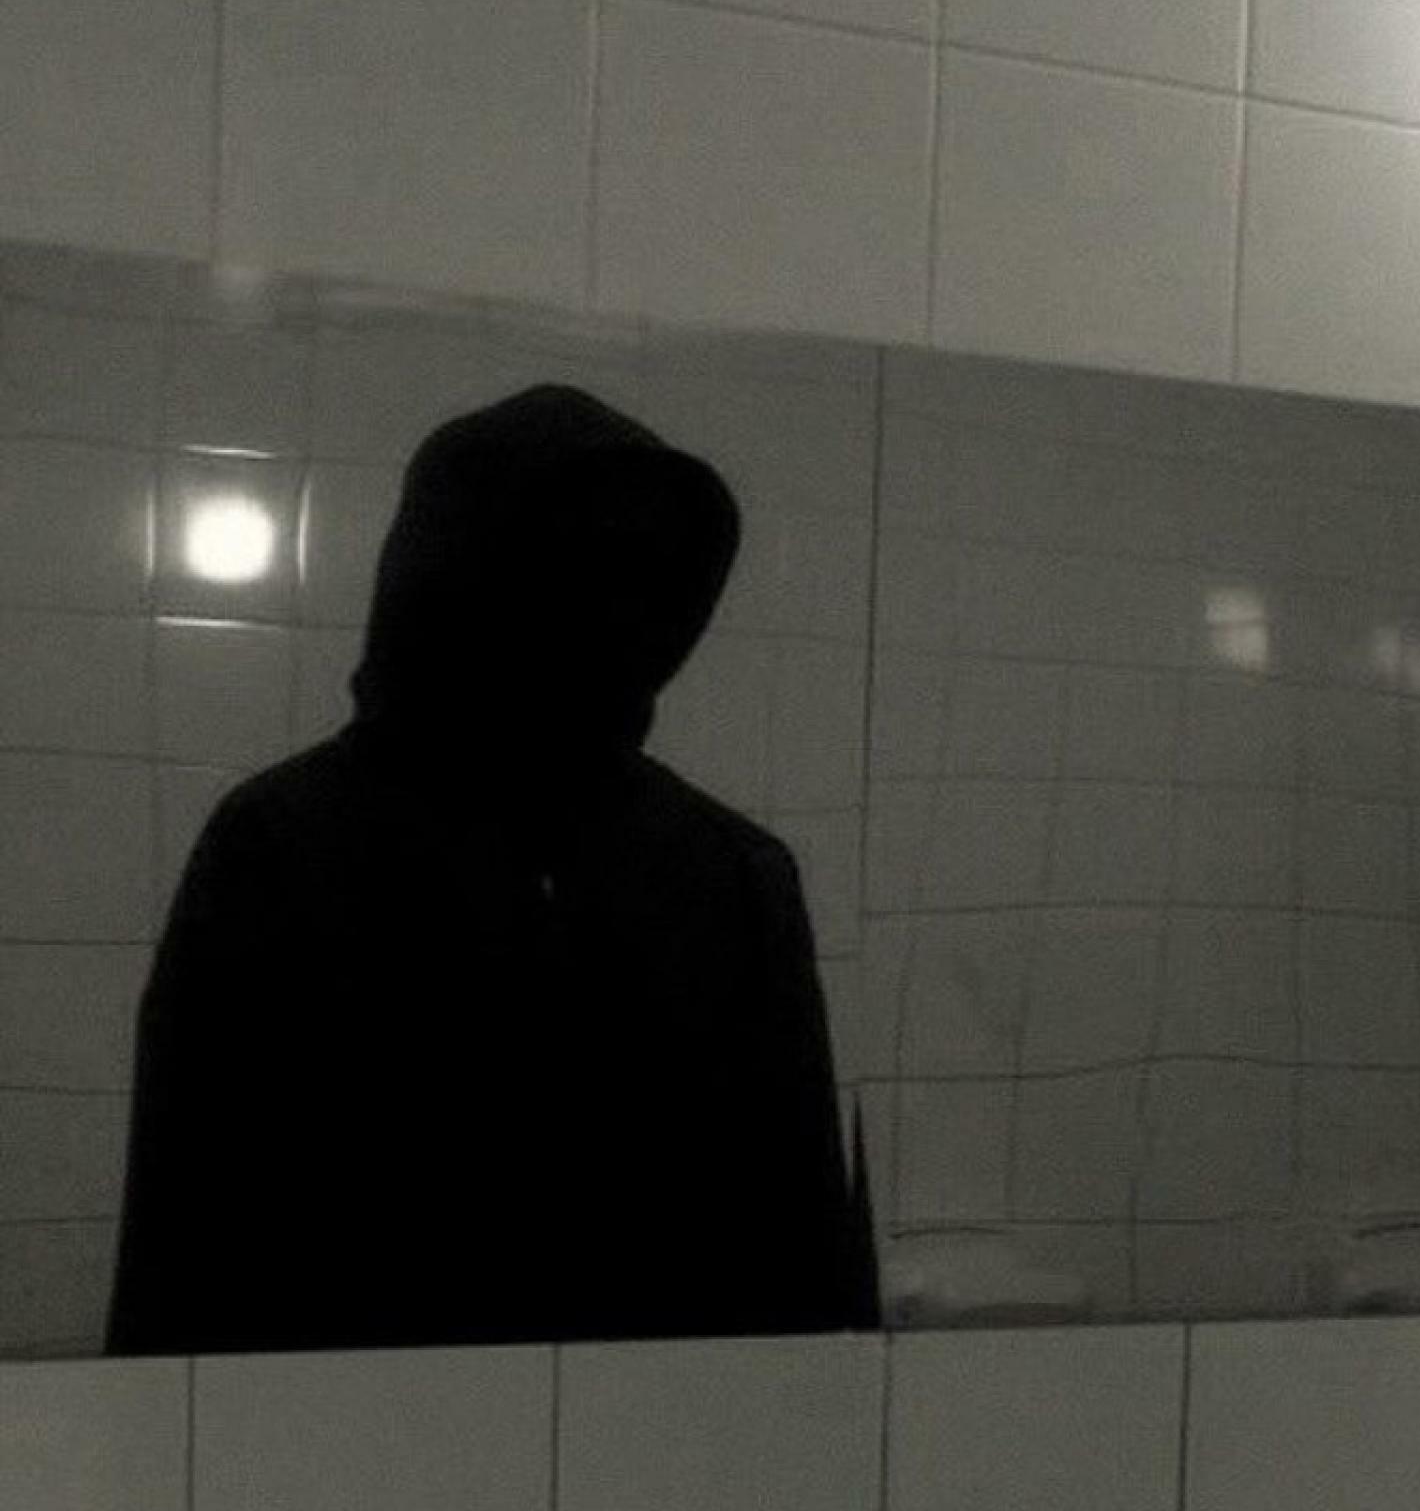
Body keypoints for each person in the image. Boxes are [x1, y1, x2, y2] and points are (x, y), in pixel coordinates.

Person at [108, 381, 876, 1355]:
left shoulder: (734, 871)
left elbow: (800, 1234)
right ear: (460, 578)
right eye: (567, 568)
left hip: (670, 1432)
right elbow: (189, 1230)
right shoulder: (280, 843)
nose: (607, 614)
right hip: (350, 1428)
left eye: (639, 576)